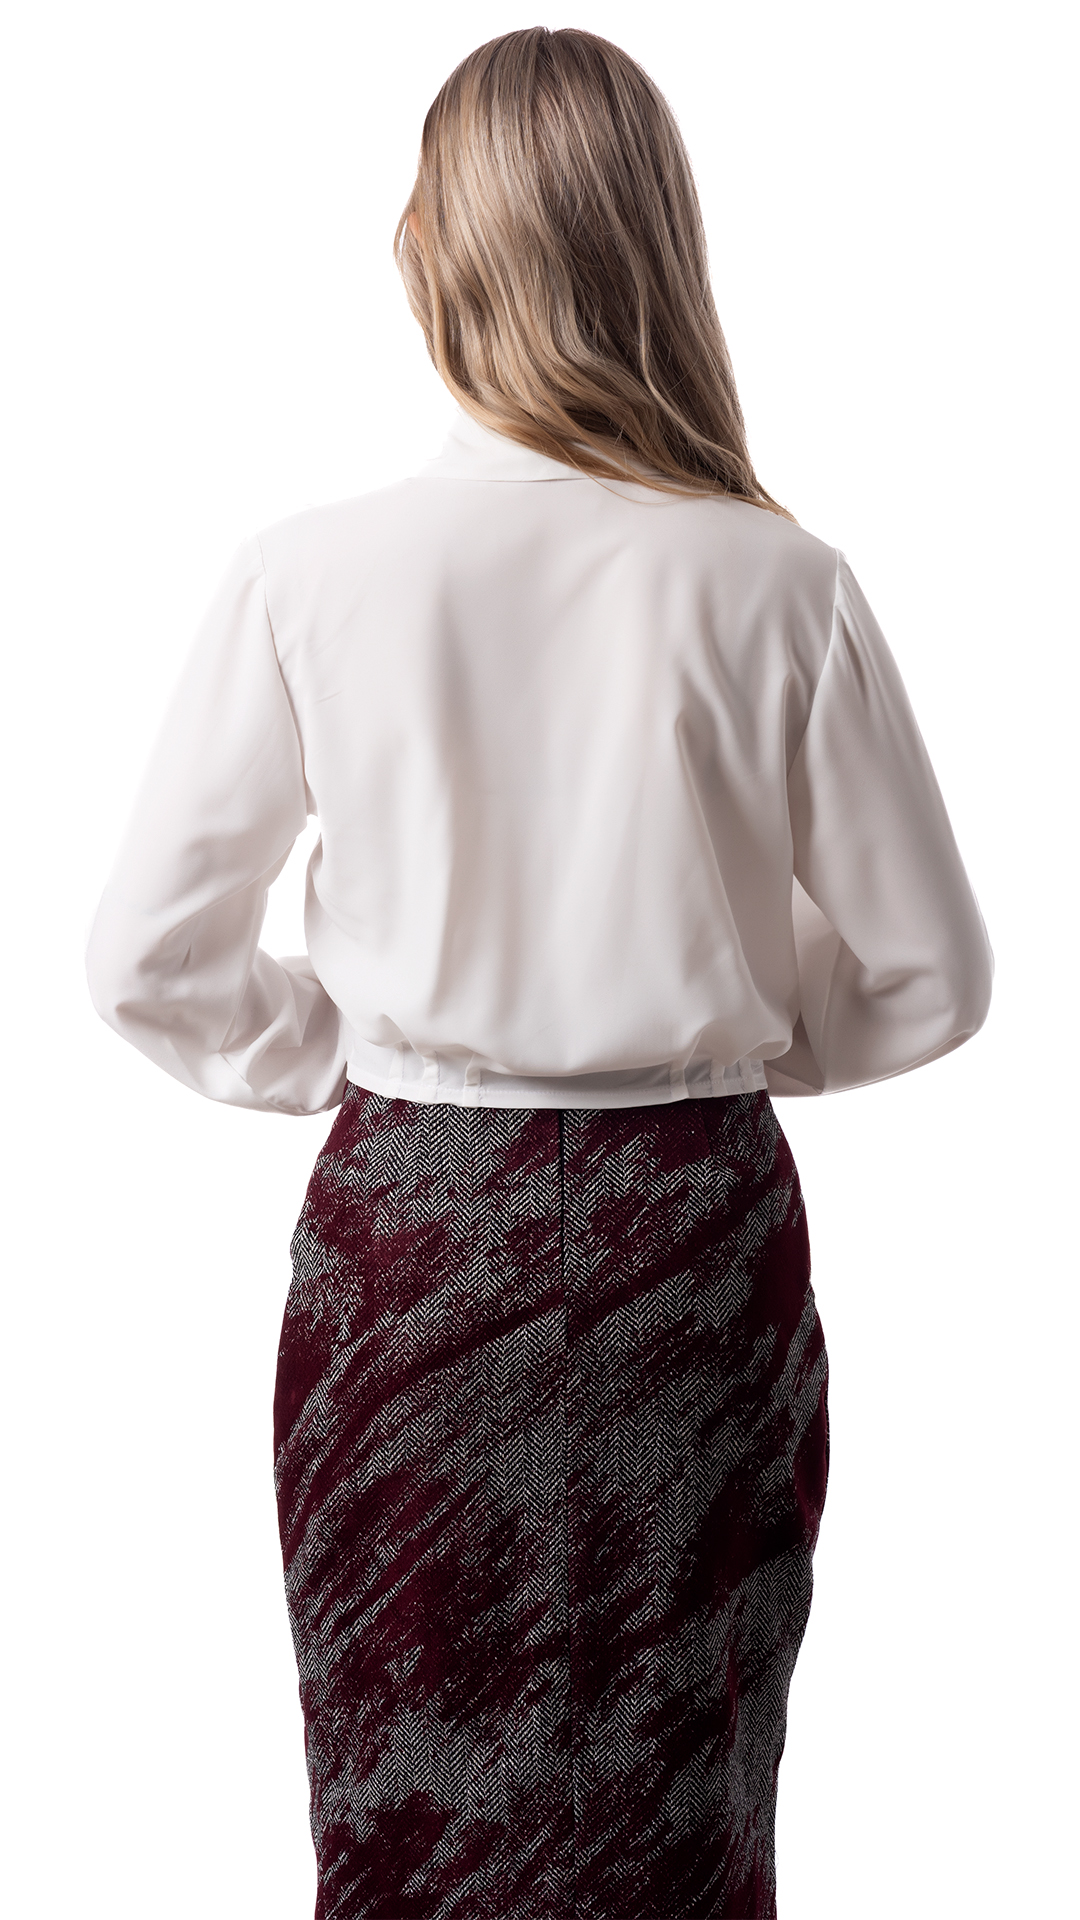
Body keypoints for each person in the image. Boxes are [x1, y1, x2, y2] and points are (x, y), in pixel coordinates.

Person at [85, 26, 993, 1920]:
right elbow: (930, 976)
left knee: (410, 1808)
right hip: (696, 1229)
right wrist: (727, 1020)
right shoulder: (781, 582)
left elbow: (150, 958)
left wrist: (350, 1049)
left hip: (409, 1232)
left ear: (437, 252)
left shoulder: (309, 574)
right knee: (685, 1811)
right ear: (657, 246)